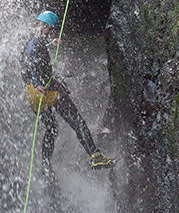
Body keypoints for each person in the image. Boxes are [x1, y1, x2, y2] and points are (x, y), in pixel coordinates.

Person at [21, 11, 115, 170]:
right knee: (77, 122)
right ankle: (95, 156)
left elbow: (32, 53)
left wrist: (51, 44)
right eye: (50, 28)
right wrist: (38, 82)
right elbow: (32, 59)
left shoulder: (32, 40)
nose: (51, 31)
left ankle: (46, 164)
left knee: (51, 129)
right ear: (45, 25)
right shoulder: (34, 44)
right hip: (46, 91)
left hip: (32, 95)